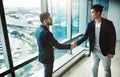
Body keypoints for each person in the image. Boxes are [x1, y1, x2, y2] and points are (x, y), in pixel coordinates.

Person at [74, 4, 116, 77]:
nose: (91, 14)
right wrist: (77, 43)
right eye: (91, 12)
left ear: (98, 13)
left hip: (105, 51)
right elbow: (85, 36)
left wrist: (111, 52)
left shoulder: (108, 24)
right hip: (94, 51)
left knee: (106, 69)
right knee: (94, 68)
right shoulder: (90, 24)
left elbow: (112, 38)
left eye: (92, 12)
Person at [35, 12, 76, 77]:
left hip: (42, 56)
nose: (51, 19)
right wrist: (70, 46)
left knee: (46, 72)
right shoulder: (47, 33)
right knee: (48, 74)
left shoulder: (38, 29)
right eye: (50, 18)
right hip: (48, 58)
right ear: (45, 21)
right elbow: (58, 46)